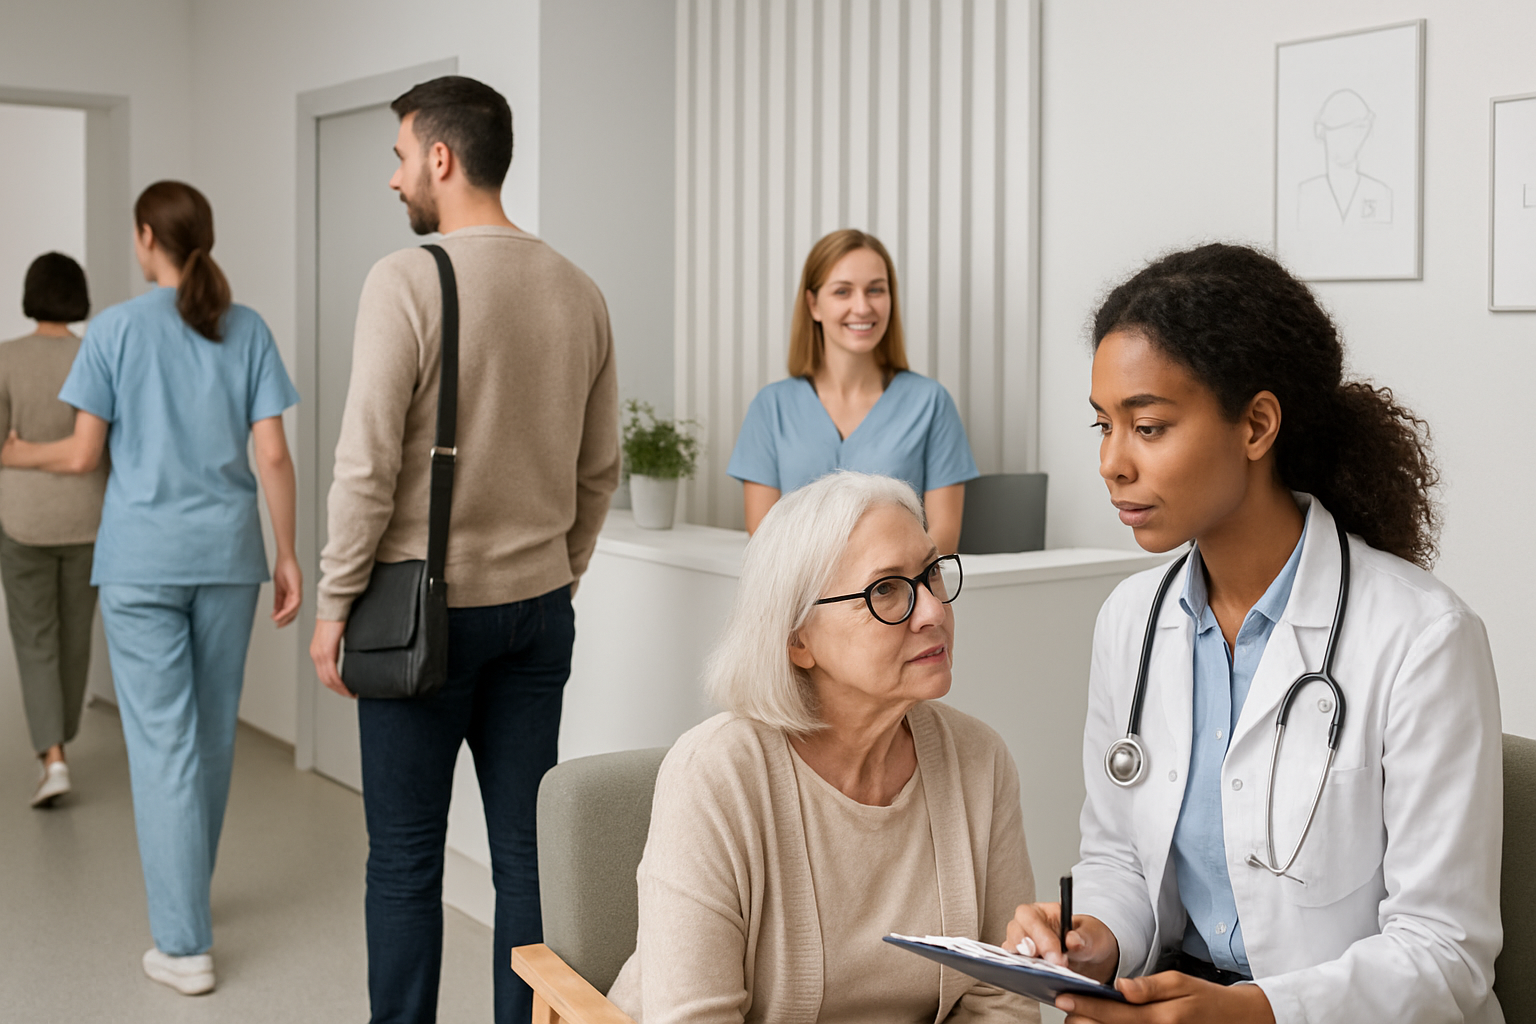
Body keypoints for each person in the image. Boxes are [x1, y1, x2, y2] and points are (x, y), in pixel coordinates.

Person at [1005, 244, 1503, 1023]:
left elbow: (1444, 953)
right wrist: (1096, 935)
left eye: (1150, 426)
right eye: (1104, 425)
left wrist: (1257, 1011)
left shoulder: (1422, 637)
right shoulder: (1129, 621)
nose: (1111, 462)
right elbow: (1120, 861)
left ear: (1258, 425)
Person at [308, 75, 619, 1024]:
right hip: (538, 614)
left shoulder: (404, 279)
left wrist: (332, 608)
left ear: (440, 158)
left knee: (405, 857)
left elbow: (364, 466)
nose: (394, 179)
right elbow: (596, 472)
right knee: (526, 856)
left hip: (417, 624)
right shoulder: (579, 288)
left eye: (400, 157)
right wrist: (551, 573)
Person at [2, 181, 302, 995]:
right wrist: (289, 553)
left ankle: (183, 941)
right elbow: (271, 455)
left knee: (163, 746)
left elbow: (78, 456)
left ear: (145, 239)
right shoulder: (246, 328)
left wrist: (11, 451)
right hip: (230, 559)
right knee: (209, 739)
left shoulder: (117, 330)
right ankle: (187, 901)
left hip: (140, 564)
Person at [608, 470, 1038, 1024]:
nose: (932, 611)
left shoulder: (979, 760)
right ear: (797, 640)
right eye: (885, 589)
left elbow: (1002, 993)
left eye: (931, 573)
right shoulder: (713, 777)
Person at [727, 229, 978, 552]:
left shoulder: (930, 402)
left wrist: (886, 584)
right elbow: (764, 533)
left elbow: (943, 535)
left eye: (875, 290)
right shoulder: (771, 406)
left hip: (898, 596)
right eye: (843, 292)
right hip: (803, 598)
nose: (862, 307)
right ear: (813, 304)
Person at [0, 252, 107, 807]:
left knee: (36, 639)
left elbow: (0, 448)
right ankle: (61, 738)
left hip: (22, 525)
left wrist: (20, 454)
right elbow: (107, 446)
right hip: (89, 521)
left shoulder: (5, 358)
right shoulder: (97, 354)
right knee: (74, 638)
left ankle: (54, 756)